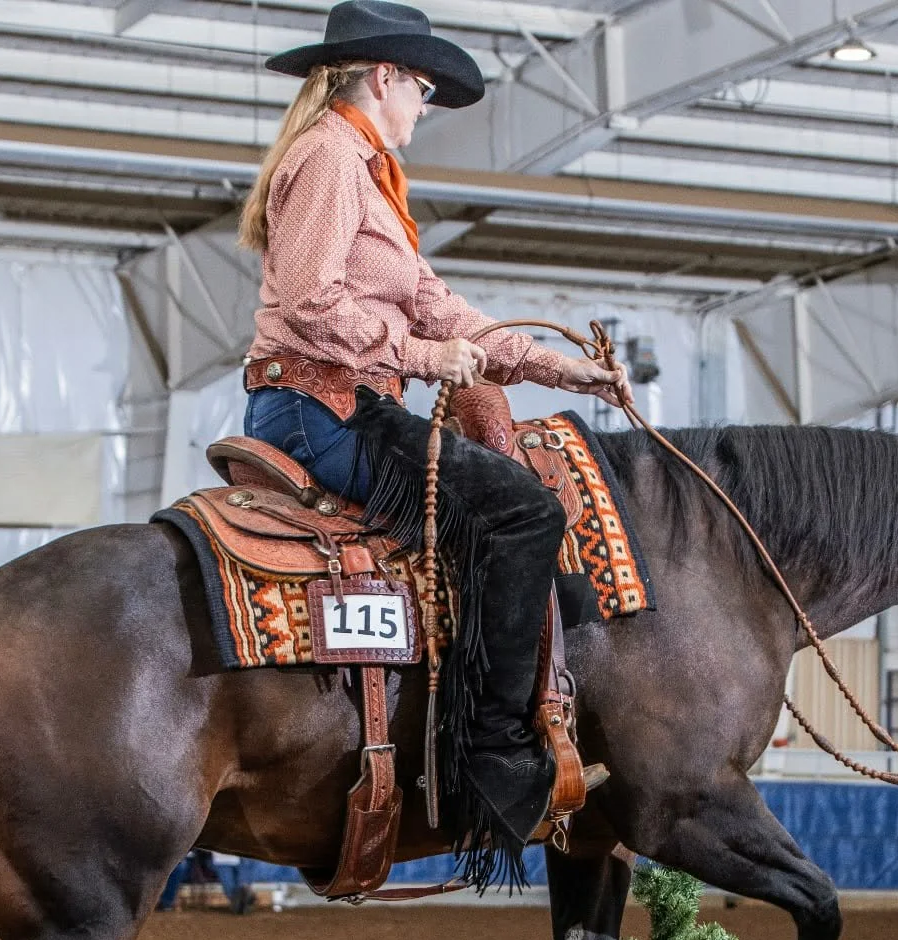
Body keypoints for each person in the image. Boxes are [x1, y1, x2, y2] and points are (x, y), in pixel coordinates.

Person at [240, 0, 630, 858]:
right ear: (383, 77)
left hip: (344, 400)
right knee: (525, 513)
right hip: (322, 406)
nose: (425, 106)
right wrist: (421, 356)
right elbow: (311, 304)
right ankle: (490, 760)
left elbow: (438, 303)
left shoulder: (369, 174)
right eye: (421, 89)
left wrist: (557, 368)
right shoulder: (332, 159)